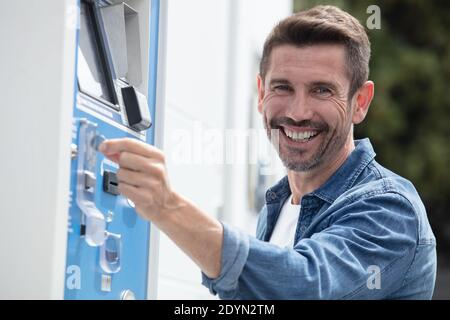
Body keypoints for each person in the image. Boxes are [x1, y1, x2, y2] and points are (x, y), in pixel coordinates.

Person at [99, 5, 436, 299]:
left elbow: (303, 288)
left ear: (360, 102)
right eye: (282, 87)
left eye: (322, 90)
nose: (299, 111)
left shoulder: (390, 209)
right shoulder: (278, 208)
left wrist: (166, 206)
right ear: (261, 93)